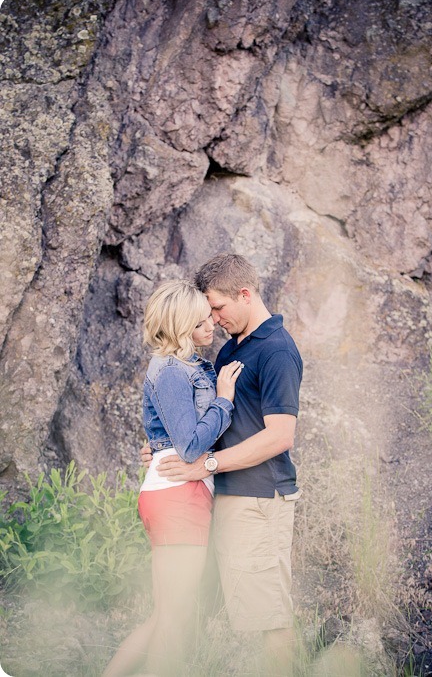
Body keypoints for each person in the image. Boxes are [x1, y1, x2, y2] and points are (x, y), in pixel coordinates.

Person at [144, 254, 303, 677]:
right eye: (207, 311)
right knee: (235, 613)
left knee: (268, 617)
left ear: (245, 295)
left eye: (217, 307)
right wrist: (165, 448)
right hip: (224, 496)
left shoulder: (277, 350)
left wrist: (207, 464)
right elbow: (207, 423)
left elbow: (280, 436)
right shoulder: (234, 347)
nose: (212, 319)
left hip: (258, 498)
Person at [103, 279, 243, 677]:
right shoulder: (168, 371)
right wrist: (225, 400)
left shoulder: (189, 366)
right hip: (179, 495)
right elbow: (190, 446)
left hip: (176, 494)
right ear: (182, 327)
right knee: (176, 621)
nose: (211, 325)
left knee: (165, 617)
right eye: (201, 322)